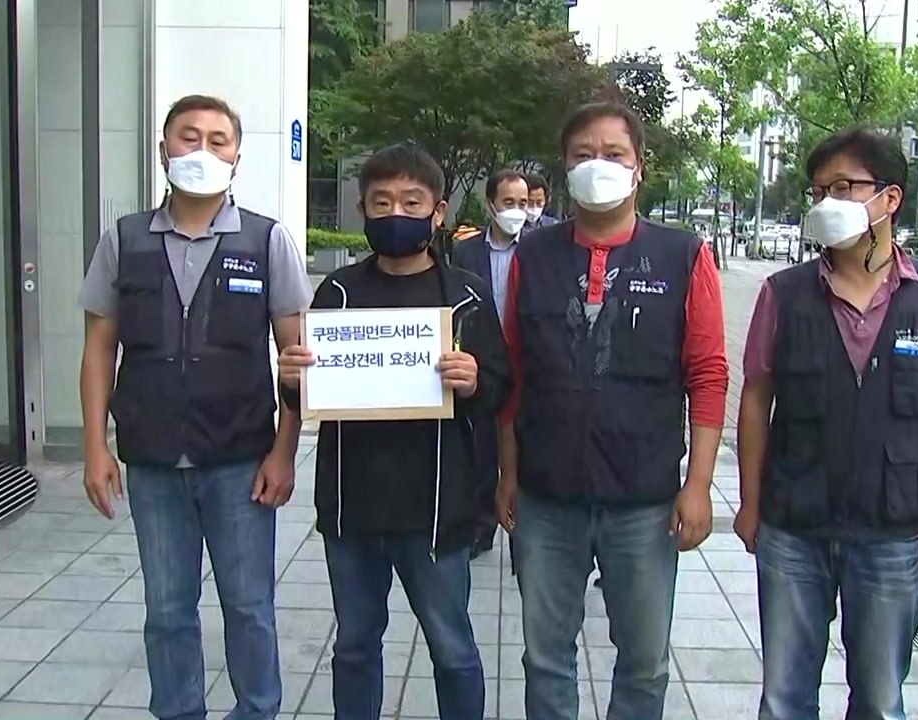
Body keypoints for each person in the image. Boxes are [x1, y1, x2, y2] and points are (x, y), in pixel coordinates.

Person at [735, 127, 918, 720]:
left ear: (889, 199)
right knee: (785, 696)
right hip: (794, 526)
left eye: (844, 187)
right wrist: (750, 504)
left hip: (892, 533)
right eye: (819, 191)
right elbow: (755, 400)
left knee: (878, 698)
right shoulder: (784, 294)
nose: (827, 202)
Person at [78, 94, 313, 720]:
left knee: (249, 607)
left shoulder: (268, 241)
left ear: (237, 156)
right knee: (168, 610)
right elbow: (99, 349)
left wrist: (284, 452)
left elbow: (297, 358)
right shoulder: (123, 240)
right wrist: (95, 446)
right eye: (188, 136)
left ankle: (258, 710)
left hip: (239, 458)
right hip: (152, 460)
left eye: (217, 139)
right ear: (163, 150)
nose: (201, 150)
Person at [495, 102, 729, 720]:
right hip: (548, 497)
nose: (597, 166)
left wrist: (698, 485)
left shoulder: (684, 255)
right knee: (545, 659)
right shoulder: (533, 256)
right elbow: (515, 373)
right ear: (564, 169)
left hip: (645, 499)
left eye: (613, 154)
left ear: (639, 168)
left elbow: (707, 376)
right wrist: (508, 473)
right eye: (582, 155)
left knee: (645, 663)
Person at [277, 142, 511, 720]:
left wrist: (476, 378)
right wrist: (290, 377)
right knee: (355, 647)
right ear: (362, 210)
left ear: (437, 212)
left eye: (411, 201)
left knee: (452, 649)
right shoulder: (337, 293)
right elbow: (305, 391)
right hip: (350, 507)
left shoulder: (465, 297)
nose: (396, 213)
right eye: (381, 202)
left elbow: (501, 391)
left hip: (437, 508)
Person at [452, 169, 529, 558]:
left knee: (518, 441)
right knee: (481, 446)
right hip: (481, 361)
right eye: (509, 203)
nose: (517, 211)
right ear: (491, 205)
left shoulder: (537, 249)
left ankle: (519, 516)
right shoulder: (465, 252)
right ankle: (482, 525)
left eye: (523, 203)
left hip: (525, 359)